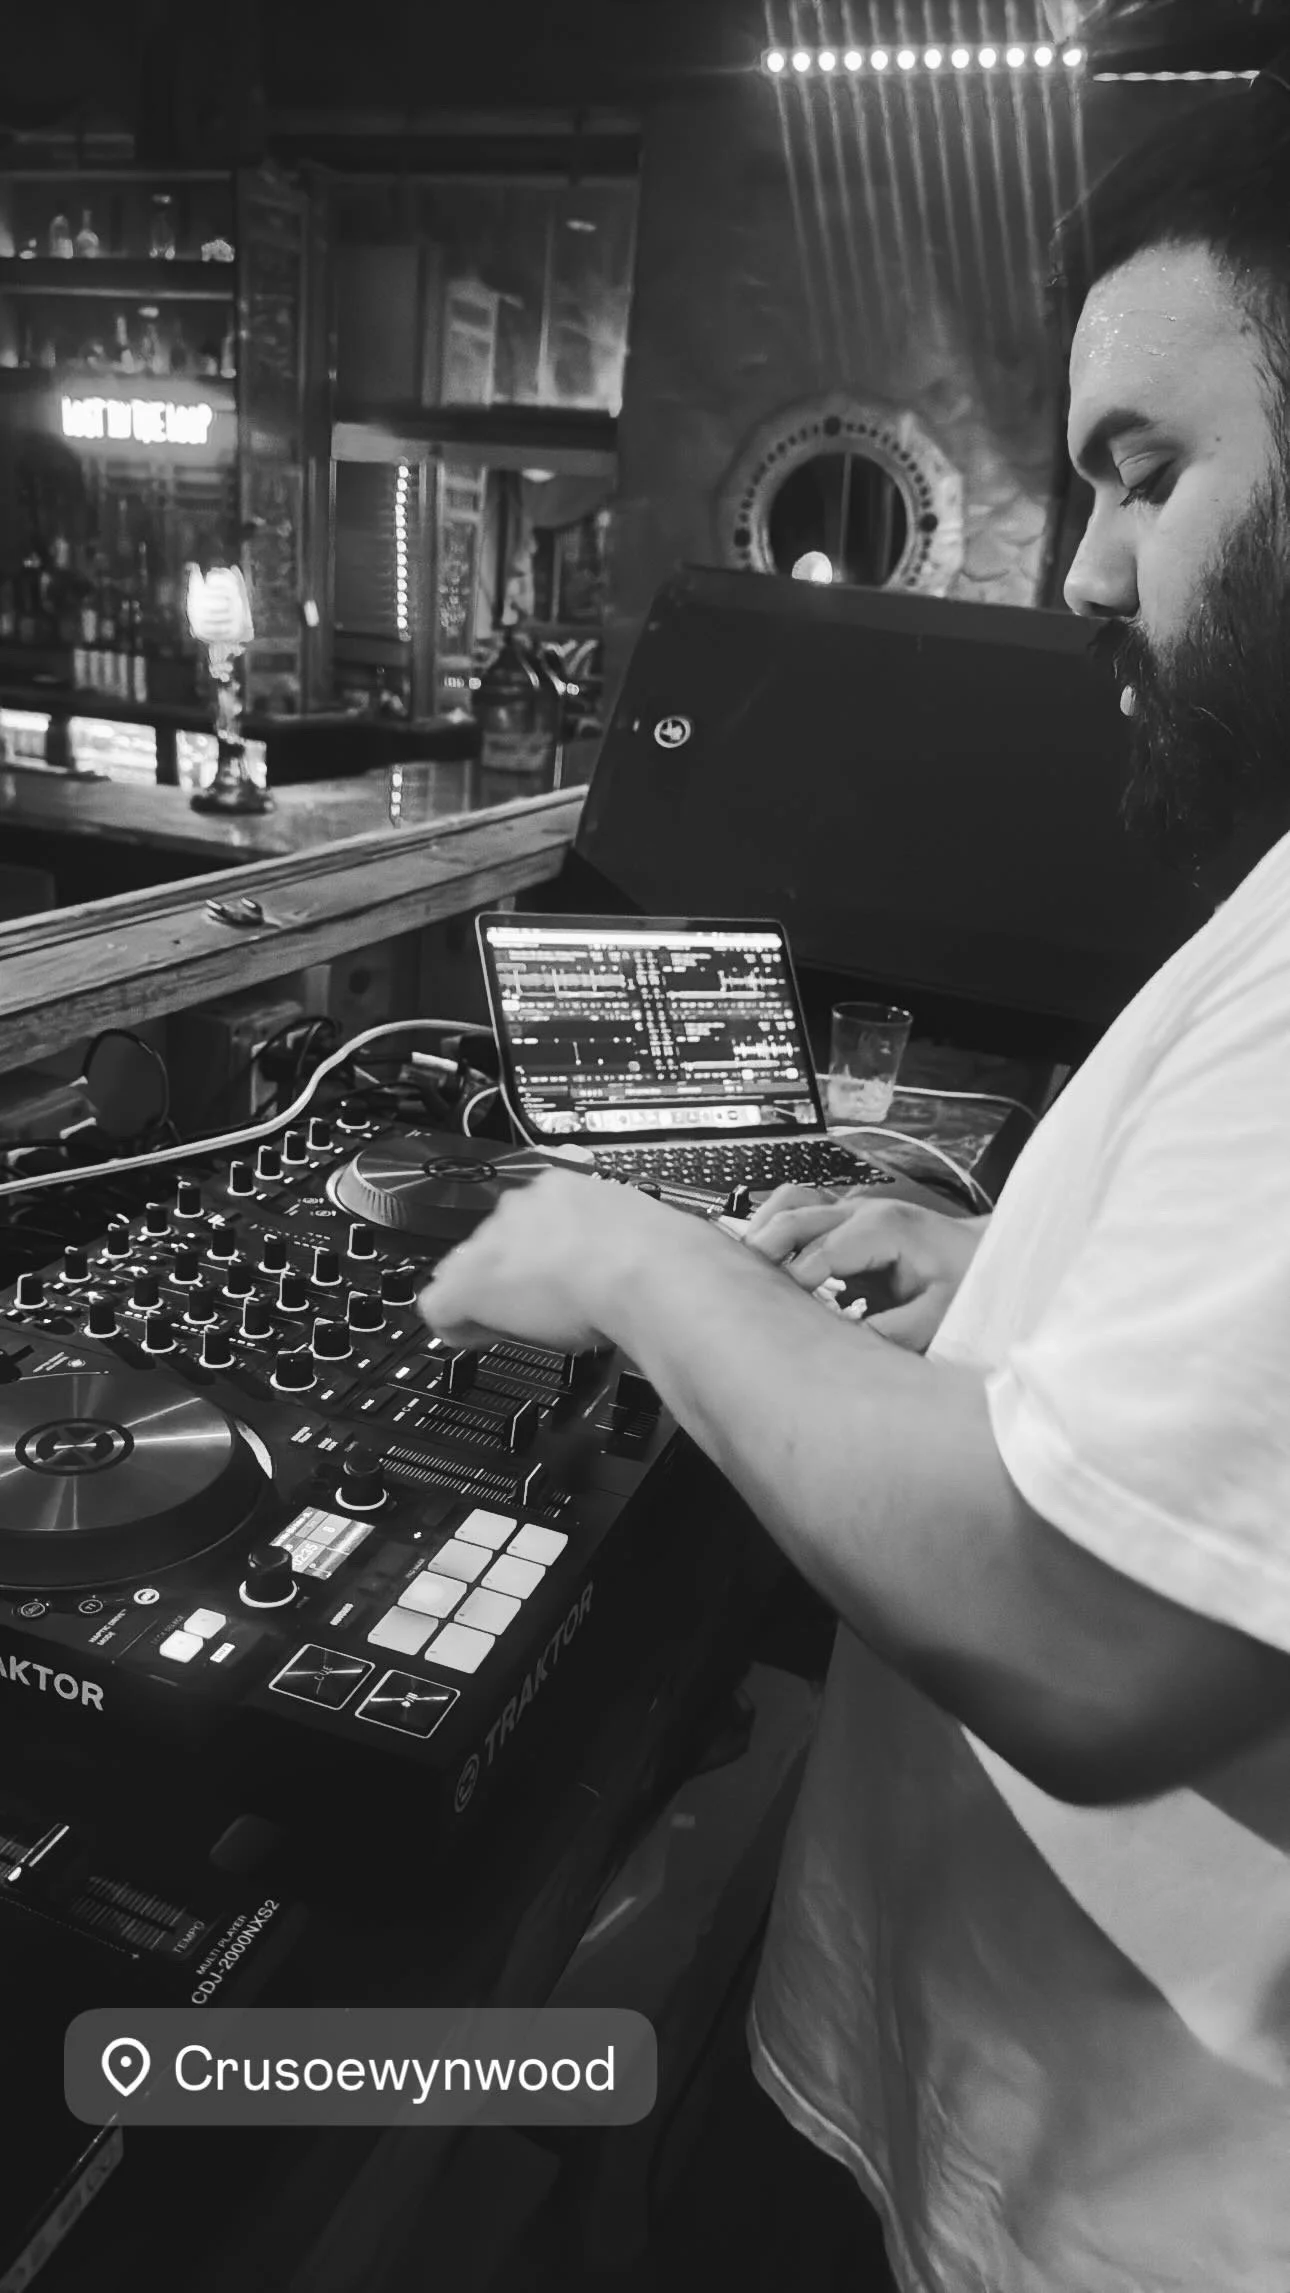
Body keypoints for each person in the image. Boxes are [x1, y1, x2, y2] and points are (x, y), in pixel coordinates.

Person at [421, 64, 1290, 2292]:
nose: (1090, 573)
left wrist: (624, 1251)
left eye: (1147, 474)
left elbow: (1085, 1631)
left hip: (1123, 2212)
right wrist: (1008, 1263)